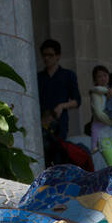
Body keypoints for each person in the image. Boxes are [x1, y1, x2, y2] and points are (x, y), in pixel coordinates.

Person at [36, 38, 79, 167]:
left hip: (60, 123)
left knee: (59, 156)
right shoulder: (38, 77)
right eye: (44, 55)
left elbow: (77, 101)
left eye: (50, 55)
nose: (47, 58)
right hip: (42, 123)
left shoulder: (68, 75)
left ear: (58, 56)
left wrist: (62, 106)